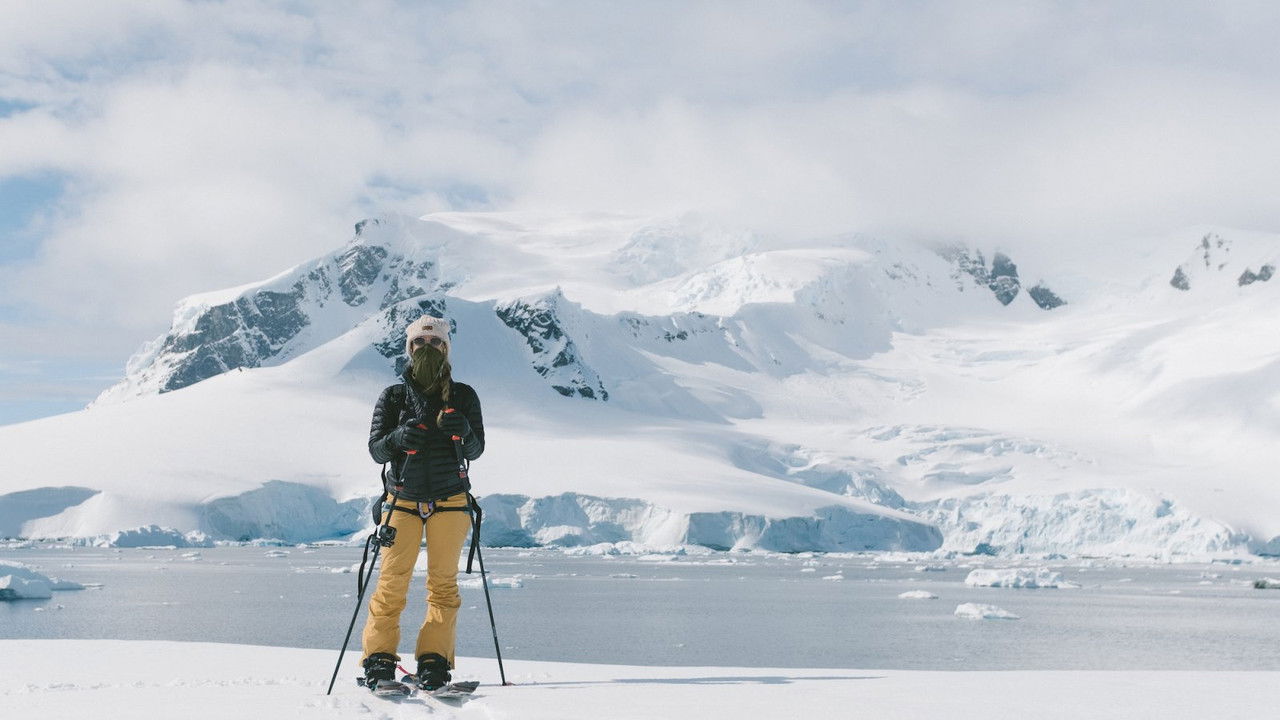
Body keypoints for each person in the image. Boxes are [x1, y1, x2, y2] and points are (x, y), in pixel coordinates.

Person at [359, 315, 485, 692]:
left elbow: (476, 450)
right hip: (403, 499)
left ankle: (434, 663)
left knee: (442, 585)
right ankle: (379, 661)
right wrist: (398, 438)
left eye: (434, 342)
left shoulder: (464, 396)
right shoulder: (393, 397)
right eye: (419, 342)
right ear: (409, 348)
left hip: (449, 499)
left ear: (445, 348)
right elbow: (376, 450)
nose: (426, 348)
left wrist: (464, 432)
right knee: (392, 583)